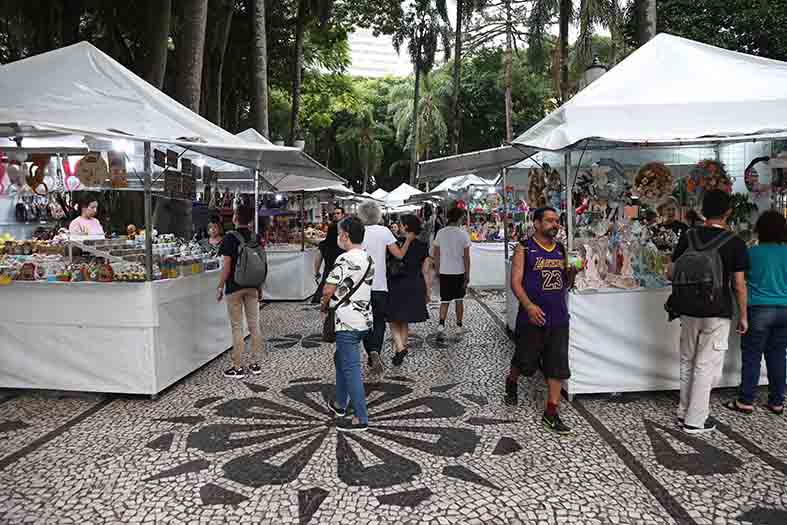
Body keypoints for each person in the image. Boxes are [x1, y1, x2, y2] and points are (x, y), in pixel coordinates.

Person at [670, 190, 749, 433]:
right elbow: (738, 284)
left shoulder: (689, 235)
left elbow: (670, 271)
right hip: (717, 310)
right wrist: (743, 315)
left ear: (703, 209)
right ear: (728, 212)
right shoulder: (735, 242)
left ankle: (683, 412)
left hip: (687, 308)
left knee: (687, 360)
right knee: (706, 365)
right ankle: (696, 420)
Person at [504, 207, 575, 435]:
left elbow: (567, 283)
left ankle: (551, 412)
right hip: (531, 318)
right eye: (549, 220)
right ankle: (512, 381)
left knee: (557, 365)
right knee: (524, 360)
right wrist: (529, 306)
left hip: (558, 317)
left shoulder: (561, 249)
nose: (555, 224)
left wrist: (573, 272)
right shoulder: (524, 248)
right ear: (536, 223)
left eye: (556, 221)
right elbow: (515, 282)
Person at [726, 210, 787, 416]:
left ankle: (746, 400)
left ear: (759, 230)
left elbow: (739, 283)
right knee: (779, 355)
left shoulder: (751, 252)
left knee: (752, 355)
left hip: (759, 309)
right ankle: (777, 401)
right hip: (784, 310)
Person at [321, 216, 374, 433]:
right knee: (340, 359)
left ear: (345, 235)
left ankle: (360, 417)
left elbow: (328, 289)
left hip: (347, 322)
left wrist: (324, 305)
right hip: (363, 320)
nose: (337, 237)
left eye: (339, 233)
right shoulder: (369, 258)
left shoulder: (344, 259)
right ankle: (340, 405)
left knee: (350, 367)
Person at [358, 201, 413, 374]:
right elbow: (399, 255)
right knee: (379, 321)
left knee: (363, 321)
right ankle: (376, 351)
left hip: (360, 286)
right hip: (380, 285)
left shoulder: (358, 232)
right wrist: (409, 241)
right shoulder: (384, 231)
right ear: (377, 214)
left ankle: (370, 352)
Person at [217, 205, 264, 379]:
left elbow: (227, 267)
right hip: (253, 286)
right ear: (251, 220)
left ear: (235, 217)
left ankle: (237, 367)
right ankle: (256, 364)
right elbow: (261, 264)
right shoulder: (256, 237)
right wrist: (260, 287)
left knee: (237, 327)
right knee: (254, 325)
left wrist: (220, 286)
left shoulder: (230, 238)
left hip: (234, 287)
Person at [387, 215, 432, 367]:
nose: (398, 226)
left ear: (405, 226)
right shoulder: (423, 245)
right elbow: (426, 271)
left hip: (396, 283)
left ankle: (399, 347)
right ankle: (401, 349)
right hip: (414, 284)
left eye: (400, 224)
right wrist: (428, 291)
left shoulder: (395, 243)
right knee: (404, 319)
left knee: (393, 319)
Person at [433, 207, 472, 337]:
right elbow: (466, 257)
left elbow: (436, 254)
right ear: (459, 218)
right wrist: (467, 274)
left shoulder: (440, 233)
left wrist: (437, 270)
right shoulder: (463, 234)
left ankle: (441, 324)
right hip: (459, 271)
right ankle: (459, 326)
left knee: (445, 300)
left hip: (444, 271)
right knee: (459, 300)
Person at [313, 207, 346, 303]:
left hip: (334, 259)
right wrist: (316, 271)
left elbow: (318, 257)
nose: (335, 215)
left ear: (343, 214)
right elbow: (318, 256)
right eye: (334, 213)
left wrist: (316, 271)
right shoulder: (333, 228)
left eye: (338, 213)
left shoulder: (343, 226)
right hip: (333, 257)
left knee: (328, 278)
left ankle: (324, 299)